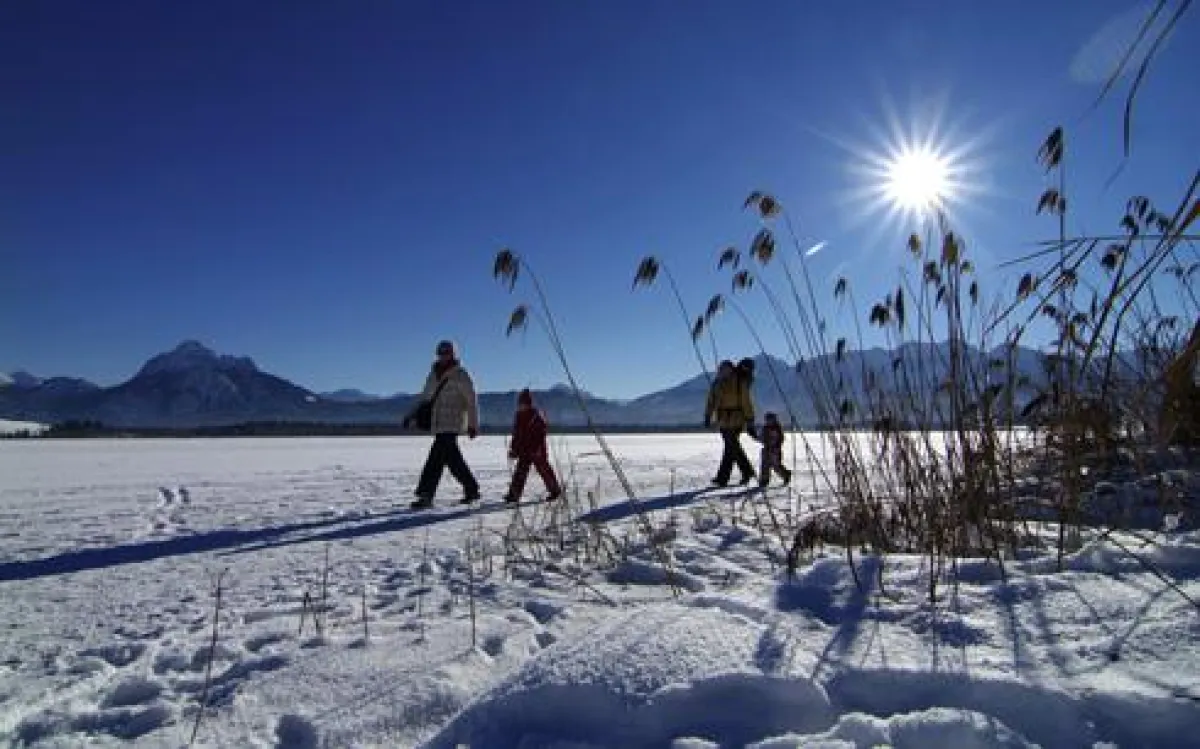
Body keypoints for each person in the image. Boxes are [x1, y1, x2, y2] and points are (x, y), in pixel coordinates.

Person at [402, 340, 481, 508]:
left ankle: (426, 495)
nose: (443, 356)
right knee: (452, 460)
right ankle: (471, 489)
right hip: (438, 423)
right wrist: (411, 415)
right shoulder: (433, 374)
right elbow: (425, 398)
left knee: (435, 459)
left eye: (447, 352)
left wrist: (473, 424)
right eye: (441, 353)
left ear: (453, 354)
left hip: (452, 424)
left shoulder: (461, 375)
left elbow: (471, 401)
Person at [503, 389, 562, 503]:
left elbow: (542, 432)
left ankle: (555, 491)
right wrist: (513, 449)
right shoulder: (518, 415)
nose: (521, 406)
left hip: (537, 450)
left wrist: (536, 449)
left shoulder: (536, 415)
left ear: (528, 404)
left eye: (523, 404)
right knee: (520, 472)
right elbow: (516, 434)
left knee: (544, 470)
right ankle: (513, 495)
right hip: (524, 450)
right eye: (520, 404)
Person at [704, 358, 756, 486]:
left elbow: (746, 401)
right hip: (722, 420)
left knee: (732, 446)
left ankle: (743, 472)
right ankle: (726, 477)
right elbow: (711, 401)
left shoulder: (739, 382)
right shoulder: (716, 383)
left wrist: (750, 419)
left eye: (725, 369)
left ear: (731, 369)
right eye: (721, 369)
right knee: (730, 448)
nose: (722, 371)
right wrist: (707, 415)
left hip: (736, 419)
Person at [758, 411, 792, 487]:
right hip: (766, 449)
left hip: (775, 451)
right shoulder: (765, 428)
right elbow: (761, 437)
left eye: (770, 420)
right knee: (764, 466)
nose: (768, 421)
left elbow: (781, 439)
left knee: (776, 466)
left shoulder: (777, 428)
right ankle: (764, 480)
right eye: (767, 420)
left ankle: (786, 474)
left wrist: (776, 447)